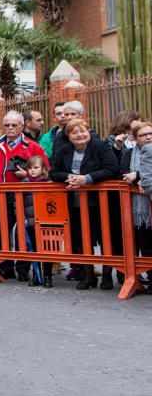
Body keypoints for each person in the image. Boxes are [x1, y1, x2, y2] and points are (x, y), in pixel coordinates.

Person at [0, 111, 48, 281]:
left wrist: (27, 174)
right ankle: (5, 267)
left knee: (23, 233)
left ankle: (22, 268)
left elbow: (44, 168)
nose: (10, 128)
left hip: (27, 196)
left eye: (14, 125)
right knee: (0, 232)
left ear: (22, 126)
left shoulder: (33, 146)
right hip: (3, 196)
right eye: (7, 125)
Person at [49, 118, 120, 290]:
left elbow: (112, 168)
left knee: (105, 240)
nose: (80, 135)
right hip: (75, 203)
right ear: (68, 136)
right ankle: (88, 275)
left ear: (89, 132)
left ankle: (106, 276)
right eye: (75, 132)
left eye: (83, 131)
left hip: (100, 202)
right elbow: (53, 172)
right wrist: (69, 178)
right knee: (82, 239)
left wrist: (86, 179)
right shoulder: (63, 150)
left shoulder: (100, 147)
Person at [122, 122, 152, 288]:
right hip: (139, 208)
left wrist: (138, 175)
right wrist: (134, 176)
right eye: (143, 135)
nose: (148, 137)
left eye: (150, 133)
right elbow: (123, 173)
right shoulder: (129, 154)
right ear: (134, 138)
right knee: (145, 243)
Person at [22, 156, 51, 288]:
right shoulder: (24, 183)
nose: (32, 170)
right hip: (31, 221)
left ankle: (47, 276)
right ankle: (36, 275)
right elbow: (18, 203)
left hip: (46, 221)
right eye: (30, 168)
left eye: (36, 167)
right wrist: (21, 218)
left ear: (43, 168)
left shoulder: (49, 183)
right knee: (33, 249)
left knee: (47, 249)